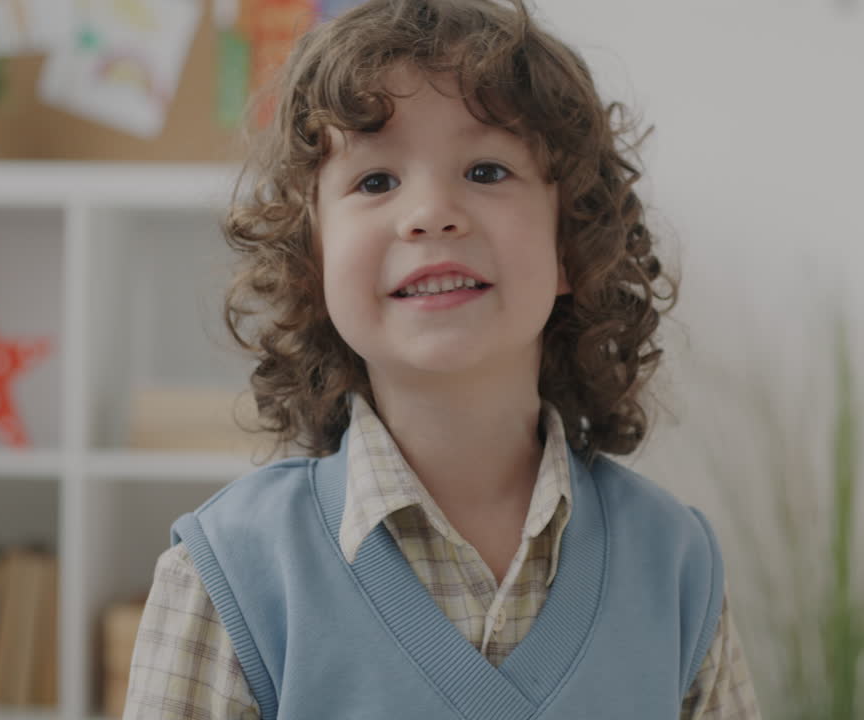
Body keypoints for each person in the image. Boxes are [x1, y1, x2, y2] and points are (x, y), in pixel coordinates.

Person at [122, 0, 762, 718]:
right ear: (312, 261)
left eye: (486, 170)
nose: (430, 212)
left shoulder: (678, 570)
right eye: (375, 181)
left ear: (570, 244)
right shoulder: (228, 575)